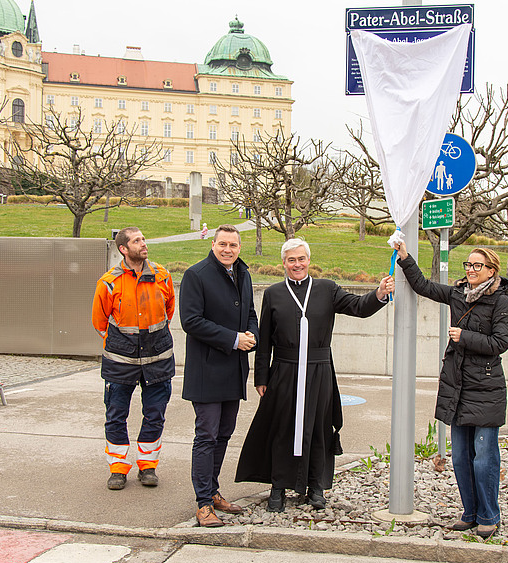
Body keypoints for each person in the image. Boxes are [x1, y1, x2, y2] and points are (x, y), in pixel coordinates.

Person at [236, 238, 395, 512]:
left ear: (309, 260)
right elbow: (265, 339)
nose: (297, 264)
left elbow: (358, 306)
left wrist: (379, 293)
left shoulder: (326, 288)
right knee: (282, 428)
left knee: (319, 427)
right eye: (291, 260)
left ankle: (316, 486)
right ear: (283, 263)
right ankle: (278, 486)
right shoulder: (274, 293)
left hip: (319, 370)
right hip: (284, 370)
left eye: (301, 259)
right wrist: (261, 377)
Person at [391, 239, 508, 539]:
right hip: (457, 387)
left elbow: (501, 343)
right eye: (468, 264)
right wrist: (405, 257)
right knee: (459, 456)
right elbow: (424, 287)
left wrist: (465, 336)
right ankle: (469, 513)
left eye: (477, 265)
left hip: (486, 389)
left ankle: (488, 515)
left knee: (484, 456)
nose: (471, 270)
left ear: (491, 271)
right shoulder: (458, 294)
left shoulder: (501, 302)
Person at [180, 224, 259, 528]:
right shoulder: (196, 275)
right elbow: (191, 321)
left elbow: (250, 310)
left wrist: (252, 334)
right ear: (213, 244)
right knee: (207, 436)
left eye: (233, 245)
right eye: (222, 244)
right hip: (207, 371)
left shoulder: (243, 273)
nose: (228, 250)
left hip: (234, 370)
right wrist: (233, 339)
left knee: (224, 434)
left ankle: (212, 492)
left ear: (240, 247)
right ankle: (202, 504)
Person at [92, 227, 176, 491]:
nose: (144, 244)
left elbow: (168, 311)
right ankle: (118, 468)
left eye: (143, 238)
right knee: (116, 414)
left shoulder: (162, 276)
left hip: (158, 359)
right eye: (137, 241)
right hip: (120, 361)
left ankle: (147, 466)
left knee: (155, 414)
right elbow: (99, 322)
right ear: (123, 249)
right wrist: (124, 344)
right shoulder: (109, 282)